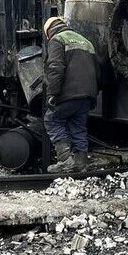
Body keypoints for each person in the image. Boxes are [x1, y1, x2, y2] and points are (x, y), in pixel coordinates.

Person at [42, 15, 99, 173]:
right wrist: (93, 94)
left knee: (52, 119)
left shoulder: (57, 40)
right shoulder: (86, 41)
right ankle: (80, 163)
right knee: (78, 126)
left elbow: (55, 68)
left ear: (49, 32)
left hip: (69, 93)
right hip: (87, 95)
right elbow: (98, 71)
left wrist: (52, 93)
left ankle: (65, 160)